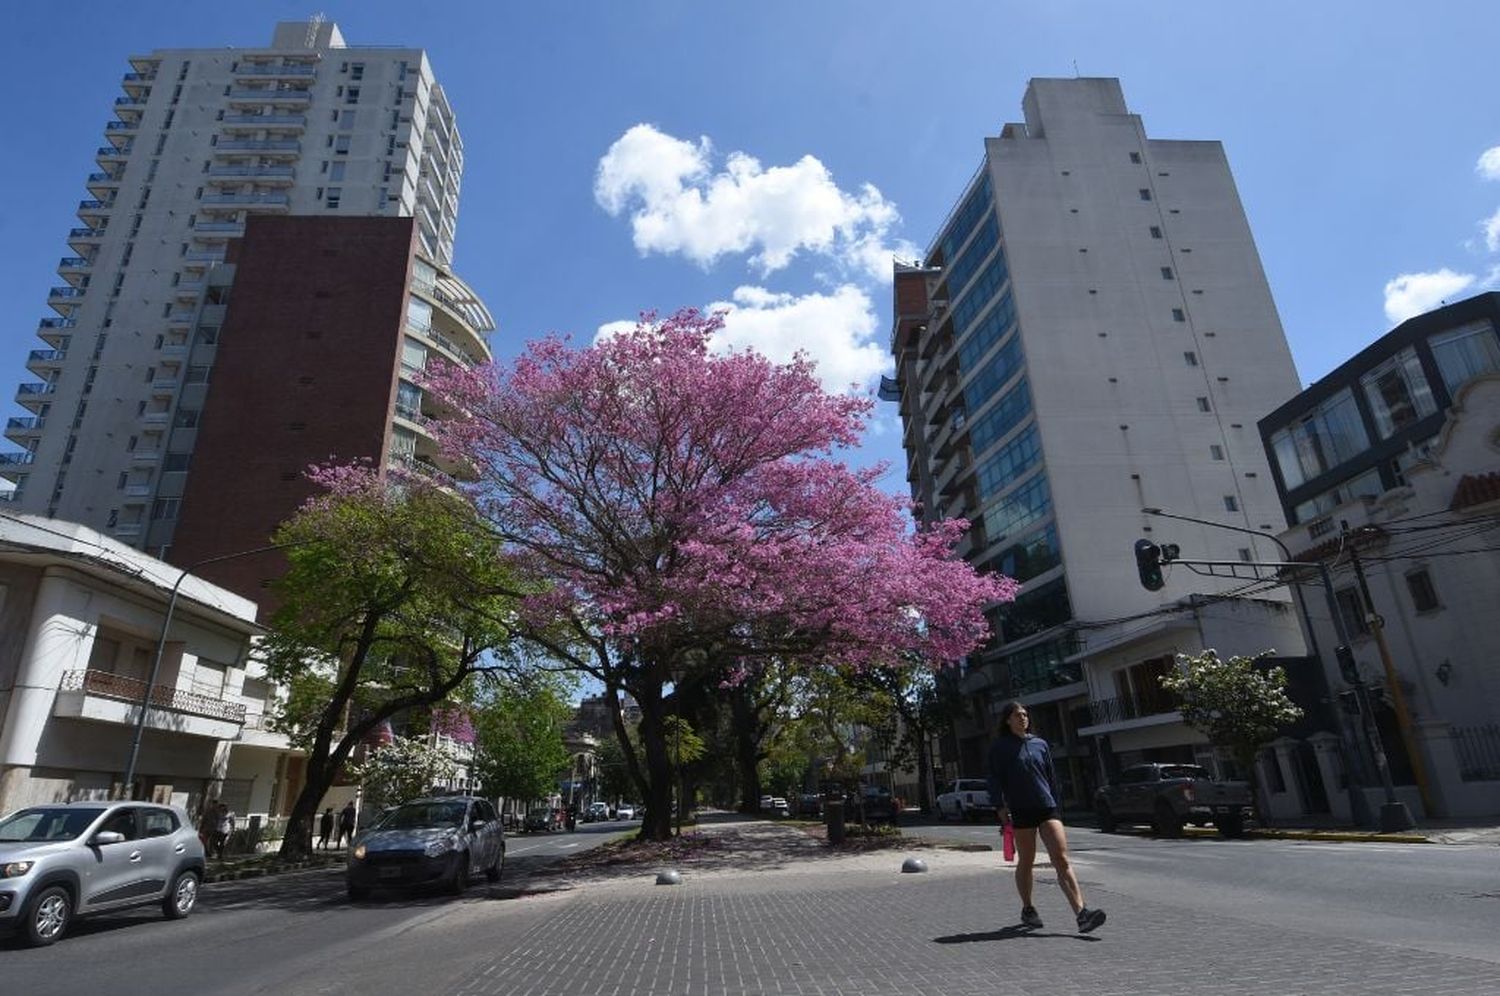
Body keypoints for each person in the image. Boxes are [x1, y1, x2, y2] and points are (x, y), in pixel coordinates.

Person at [987, 701, 1106, 933]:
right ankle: (1028, 908)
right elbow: (994, 779)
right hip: (1021, 810)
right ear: (1007, 720)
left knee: (1061, 858)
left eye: (1025, 715)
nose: (1023, 718)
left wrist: (1057, 803)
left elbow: (1051, 777)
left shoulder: (1039, 744)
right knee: (1027, 861)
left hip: (1047, 807)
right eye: (1017, 715)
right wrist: (1000, 808)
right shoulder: (1000, 747)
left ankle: (1082, 914)